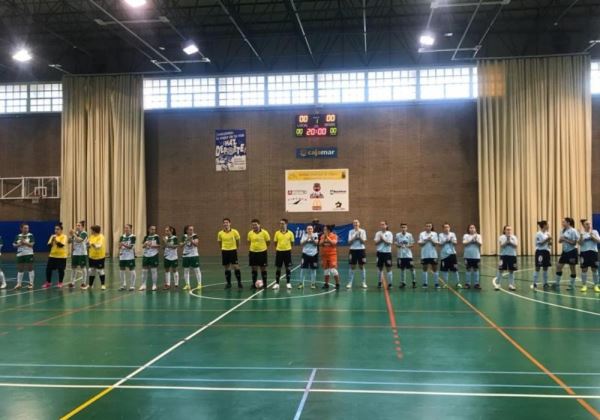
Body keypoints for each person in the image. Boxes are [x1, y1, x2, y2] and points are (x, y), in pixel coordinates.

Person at [554, 217, 579, 291]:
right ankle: (557, 283)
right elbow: (560, 241)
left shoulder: (573, 231)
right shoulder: (562, 230)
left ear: (568, 223)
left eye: (563, 222)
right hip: (565, 252)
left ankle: (572, 285)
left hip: (572, 252)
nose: (562, 223)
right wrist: (561, 240)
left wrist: (565, 239)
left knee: (572, 268)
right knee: (558, 266)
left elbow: (574, 243)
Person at [218, 218, 242, 289]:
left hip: (233, 251)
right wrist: (223, 248)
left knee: (236, 267)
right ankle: (228, 283)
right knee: (227, 267)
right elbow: (220, 242)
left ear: (230, 223)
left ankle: (239, 283)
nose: (226, 224)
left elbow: (238, 241)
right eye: (224, 223)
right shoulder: (220, 233)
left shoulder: (235, 231)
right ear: (223, 224)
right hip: (225, 251)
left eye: (227, 222)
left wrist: (236, 248)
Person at [43, 223, 68, 289]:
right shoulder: (52, 236)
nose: (56, 230)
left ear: (61, 230)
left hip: (61, 256)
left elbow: (61, 245)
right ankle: (48, 282)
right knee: (48, 269)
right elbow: (49, 246)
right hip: (52, 256)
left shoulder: (64, 236)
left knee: (61, 270)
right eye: (55, 229)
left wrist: (55, 240)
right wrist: (52, 241)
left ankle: (60, 282)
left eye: (58, 229)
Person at [578, 219, 600, 293]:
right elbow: (580, 244)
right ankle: (584, 285)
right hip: (584, 253)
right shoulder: (581, 233)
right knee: (584, 269)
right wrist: (581, 236)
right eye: (587, 224)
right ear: (584, 225)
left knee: (595, 269)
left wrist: (592, 236)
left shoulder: (595, 232)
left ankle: (596, 285)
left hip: (594, 253)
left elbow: (598, 241)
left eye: (589, 224)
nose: (589, 225)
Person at [494, 225, 518, 291]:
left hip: (512, 256)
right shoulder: (501, 237)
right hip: (503, 256)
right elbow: (502, 246)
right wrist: (507, 242)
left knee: (511, 271)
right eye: (507, 229)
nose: (509, 231)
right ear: (504, 230)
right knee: (501, 270)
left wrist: (510, 242)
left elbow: (516, 246)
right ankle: (498, 284)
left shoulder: (514, 237)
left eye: (510, 229)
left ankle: (511, 285)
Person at [248, 219, 270, 289]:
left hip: (262, 252)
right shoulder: (250, 233)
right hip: (253, 252)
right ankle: (254, 284)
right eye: (253, 225)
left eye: (255, 225)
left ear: (259, 225)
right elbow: (249, 242)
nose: (254, 226)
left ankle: (265, 284)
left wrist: (262, 248)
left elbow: (268, 242)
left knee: (263, 268)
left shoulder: (265, 232)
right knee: (254, 269)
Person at [273, 218, 295, 290]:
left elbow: (292, 243)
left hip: (287, 252)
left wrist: (287, 248)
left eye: (283, 223)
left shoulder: (290, 233)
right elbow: (275, 243)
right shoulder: (277, 233)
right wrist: (280, 248)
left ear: (286, 224)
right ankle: (277, 283)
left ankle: (288, 283)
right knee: (278, 268)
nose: (281, 225)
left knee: (288, 267)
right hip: (279, 252)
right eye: (280, 223)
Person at [13, 223, 35, 290]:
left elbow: (32, 244)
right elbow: (14, 245)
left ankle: (31, 283)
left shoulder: (30, 235)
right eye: (25, 228)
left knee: (30, 268)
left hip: (29, 254)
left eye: (27, 228)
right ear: (21, 228)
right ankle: (19, 284)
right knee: (20, 269)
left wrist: (25, 242)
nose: (26, 229)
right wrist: (20, 244)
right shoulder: (18, 236)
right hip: (20, 254)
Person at [347, 219, 367, 289]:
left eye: (357, 222)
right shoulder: (350, 231)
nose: (355, 224)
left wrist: (359, 237)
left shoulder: (363, 231)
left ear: (359, 223)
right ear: (353, 224)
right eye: (354, 223)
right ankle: (350, 282)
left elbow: (363, 242)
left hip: (361, 250)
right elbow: (349, 242)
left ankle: (364, 282)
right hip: (353, 250)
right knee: (352, 266)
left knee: (362, 266)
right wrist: (355, 237)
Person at [68, 221, 88, 289]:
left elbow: (79, 240)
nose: (77, 226)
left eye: (79, 225)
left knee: (83, 268)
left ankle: (84, 283)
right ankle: (72, 282)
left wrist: (73, 234)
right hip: (75, 253)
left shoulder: (84, 233)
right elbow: (69, 242)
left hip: (82, 253)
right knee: (73, 267)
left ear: (82, 226)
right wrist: (70, 235)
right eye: (76, 225)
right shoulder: (75, 233)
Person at [181, 225, 202, 290]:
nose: (192, 230)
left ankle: (199, 284)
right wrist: (185, 241)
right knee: (186, 270)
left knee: (196, 270)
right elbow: (180, 246)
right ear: (187, 230)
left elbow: (196, 244)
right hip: (186, 255)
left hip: (194, 255)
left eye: (192, 229)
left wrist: (191, 240)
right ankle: (187, 284)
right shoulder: (184, 236)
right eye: (190, 229)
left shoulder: (195, 235)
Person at [395, 223, 416, 288]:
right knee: (402, 269)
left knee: (412, 268)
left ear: (406, 228)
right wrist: (400, 245)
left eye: (404, 227)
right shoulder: (397, 235)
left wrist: (407, 246)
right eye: (402, 227)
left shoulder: (409, 235)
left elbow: (412, 244)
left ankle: (414, 282)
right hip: (400, 255)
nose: (403, 228)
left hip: (409, 255)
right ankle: (403, 282)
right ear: (400, 228)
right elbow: (395, 243)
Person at [439, 223, 460, 288]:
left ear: (449, 228)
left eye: (448, 227)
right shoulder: (440, 235)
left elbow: (455, 243)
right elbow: (439, 244)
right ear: (443, 228)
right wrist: (445, 241)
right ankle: (445, 283)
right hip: (444, 255)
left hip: (452, 254)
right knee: (444, 270)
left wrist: (451, 240)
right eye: (445, 227)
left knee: (455, 269)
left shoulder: (452, 234)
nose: (446, 228)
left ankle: (457, 283)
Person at [418, 223, 439, 288]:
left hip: (433, 255)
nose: (428, 227)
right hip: (424, 254)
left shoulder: (434, 234)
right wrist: (427, 240)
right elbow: (420, 244)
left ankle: (436, 283)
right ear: (425, 227)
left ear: (431, 227)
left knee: (435, 269)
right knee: (424, 269)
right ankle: (425, 283)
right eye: (427, 226)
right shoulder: (422, 234)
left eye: (429, 226)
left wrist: (431, 239)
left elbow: (435, 244)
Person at [319, 224, 340, 289]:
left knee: (333, 270)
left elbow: (334, 243)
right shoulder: (322, 236)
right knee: (326, 270)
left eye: (325, 229)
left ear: (328, 230)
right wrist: (324, 237)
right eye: (324, 229)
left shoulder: (334, 236)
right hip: (324, 255)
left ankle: (337, 284)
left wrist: (327, 237)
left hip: (332, 255)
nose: (324, 230)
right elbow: (320, 244)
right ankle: (326, 284)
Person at [532, 220, 552, 290]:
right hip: (540, 252)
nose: (548, 226)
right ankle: (534, 283)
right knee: (538, 267)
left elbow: (549, 243)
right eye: (547, 224)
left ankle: (545, 283)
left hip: (546, 252)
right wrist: (547, 239)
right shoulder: (538, 234)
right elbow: (539, 243)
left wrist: (550, 241)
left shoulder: (548, 233)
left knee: (545, 268)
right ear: (544, 225)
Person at [141, 225, 161, 291]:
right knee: (144, 270)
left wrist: (151, 245)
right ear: (148, 230)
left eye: (154, 229)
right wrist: (145, 244)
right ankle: (143, 285)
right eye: (152, 229)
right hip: (146, 255)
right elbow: (143, 246)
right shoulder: (146, 237)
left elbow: (159, 245)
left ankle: (154, 285)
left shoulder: (156, 237)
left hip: (154, 255)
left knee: (153, 270)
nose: (153, 230)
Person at [374, 221, 394, 289]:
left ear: (386, 225)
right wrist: (380, 239)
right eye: (381, 225)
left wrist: (383, 239)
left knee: (389, 268)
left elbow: (389, 243)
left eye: (383, 224)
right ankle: (379, 282)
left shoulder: (389, 233)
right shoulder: (378, 233)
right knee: (380, 268)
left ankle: (390, 283)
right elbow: (376, 243)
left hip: (387, 253)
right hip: (379, 253)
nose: (382, 226)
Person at [299, 225, 319, 289]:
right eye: (308, 229)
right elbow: (301, 243)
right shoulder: (304, 235)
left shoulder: (315, 235)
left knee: (313, 270)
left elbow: (316, 243)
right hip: (305, 254)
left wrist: (312, 238)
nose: (310, 230)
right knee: (303, 269)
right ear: (306, 230)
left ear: (313, 230)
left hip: (314, 254)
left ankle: (313, 284)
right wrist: (307, 239)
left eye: (311, 229)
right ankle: (301, 283)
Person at [462, 224, 482, 289]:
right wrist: (471, 240)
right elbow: (464, 243)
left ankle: (476, 284)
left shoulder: (478, 236)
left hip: (476, 256)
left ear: (475, 229)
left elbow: (480, 244)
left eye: (473, 228)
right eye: (470, 228)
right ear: (468, 229)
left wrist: (476, 240)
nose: (472, 229)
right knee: (468, 269)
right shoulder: (466, 235)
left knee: (476, 269)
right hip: (467, 256)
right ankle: (467, 284)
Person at [88, 225, 107, 290]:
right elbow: (89, 245)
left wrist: (91, 243)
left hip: (99, 257)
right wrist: (88, 245)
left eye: (92, 230)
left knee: (100, 271)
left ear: (94, 230)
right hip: (92, 256)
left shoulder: (101, 237)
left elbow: (98, 246)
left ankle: (103, 285)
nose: (91, 231)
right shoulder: (91, 236)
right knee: (91, 271)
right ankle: (90, 285)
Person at [118, 224, 137, 291]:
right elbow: (119, 246)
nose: (126, 229)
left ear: (130, 229)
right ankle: (123, 285)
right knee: (121, 270)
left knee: (132, 269)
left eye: (127, 228)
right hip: (122, 256)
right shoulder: (122, 237)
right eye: (125, 228)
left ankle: (132, 286)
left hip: (130, 256)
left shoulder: (133, 237)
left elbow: (130, 247)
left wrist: (123, 244)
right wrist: (120, 247)